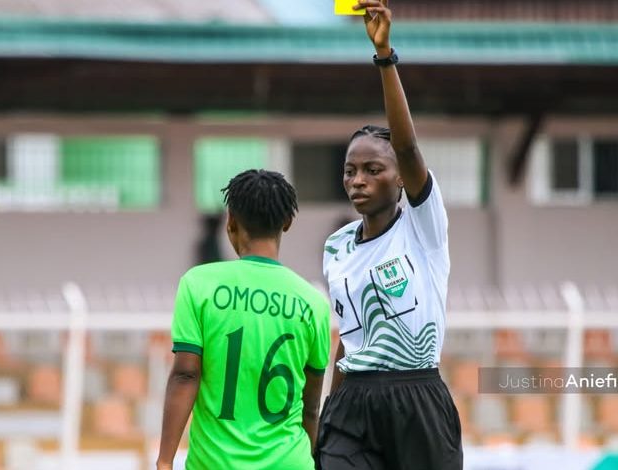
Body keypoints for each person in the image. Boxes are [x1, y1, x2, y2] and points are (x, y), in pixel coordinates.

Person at [316, 1, 463, 469]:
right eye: (350, 171)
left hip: (416, 400)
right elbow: (350, 335)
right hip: (352, 404)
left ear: (400, 177)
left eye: (373, 169)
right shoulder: (336, 247)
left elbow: (407, 145)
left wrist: (384, 57)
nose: (357, 179)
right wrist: (324, 415)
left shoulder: (424, 228)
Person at [157, 169, 331, 470]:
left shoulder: (198, 284)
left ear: (231, 221)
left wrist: (164, 461)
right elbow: (311, 406)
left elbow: (186, 375)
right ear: (287, 223)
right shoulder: (314, 302)